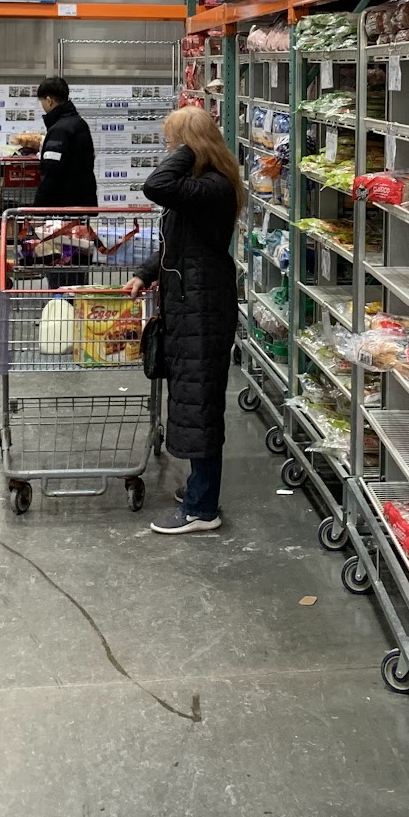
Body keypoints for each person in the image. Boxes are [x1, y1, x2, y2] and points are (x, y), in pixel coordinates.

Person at [126, 105, 243, 534]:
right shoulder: (200, 185)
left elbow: (155, 185)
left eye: (172, 141)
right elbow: (176, 242)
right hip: (190, 301)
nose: (167, 147)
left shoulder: (212, 186)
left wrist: (186, 147)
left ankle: (201, 509)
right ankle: (199, 488)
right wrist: (146, 273)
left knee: (200, 404)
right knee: (193, 400)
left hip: (203, 306)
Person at [33, 76, 97, 208]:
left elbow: (52, 172)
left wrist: (38, 207)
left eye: (42, 101)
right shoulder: (80, 124)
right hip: (82, 202)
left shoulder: (59, 130)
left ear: (49, 100)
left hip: (63, 206)